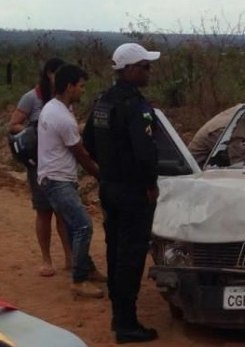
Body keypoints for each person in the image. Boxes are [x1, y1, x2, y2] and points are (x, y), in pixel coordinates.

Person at [82, 43, 160, 344]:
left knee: (115, 252)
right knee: (131, 256)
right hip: (132, 193)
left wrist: (111, 166)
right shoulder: (135, 106)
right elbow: (145, 153)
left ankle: (119, 317)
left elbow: (88, 140)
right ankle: (127, 325)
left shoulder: (103, 101)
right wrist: (150, 184)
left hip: (109, 188)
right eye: (145, 66)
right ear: (129, 69)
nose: (148, 71)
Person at [37, 64, 105, 299]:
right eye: (81, 86)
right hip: (57, 179)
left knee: (73, 224)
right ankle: (79, 279)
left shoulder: (55, 108)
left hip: (53, 176)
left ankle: (88, 269)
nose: (83, 90)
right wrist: (101, 175)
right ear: (69, 86)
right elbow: (81, 154)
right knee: (84, 225)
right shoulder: (61, 116)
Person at [8, 57, 72, 277]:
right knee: (44, 212)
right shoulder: (31, 97)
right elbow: (13, 125)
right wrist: (34, 133)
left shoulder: (65, 98)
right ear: (49, 74)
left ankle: (69, 258)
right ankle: (46, 260)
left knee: (63, 213)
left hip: (61, 162)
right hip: (39, 164)